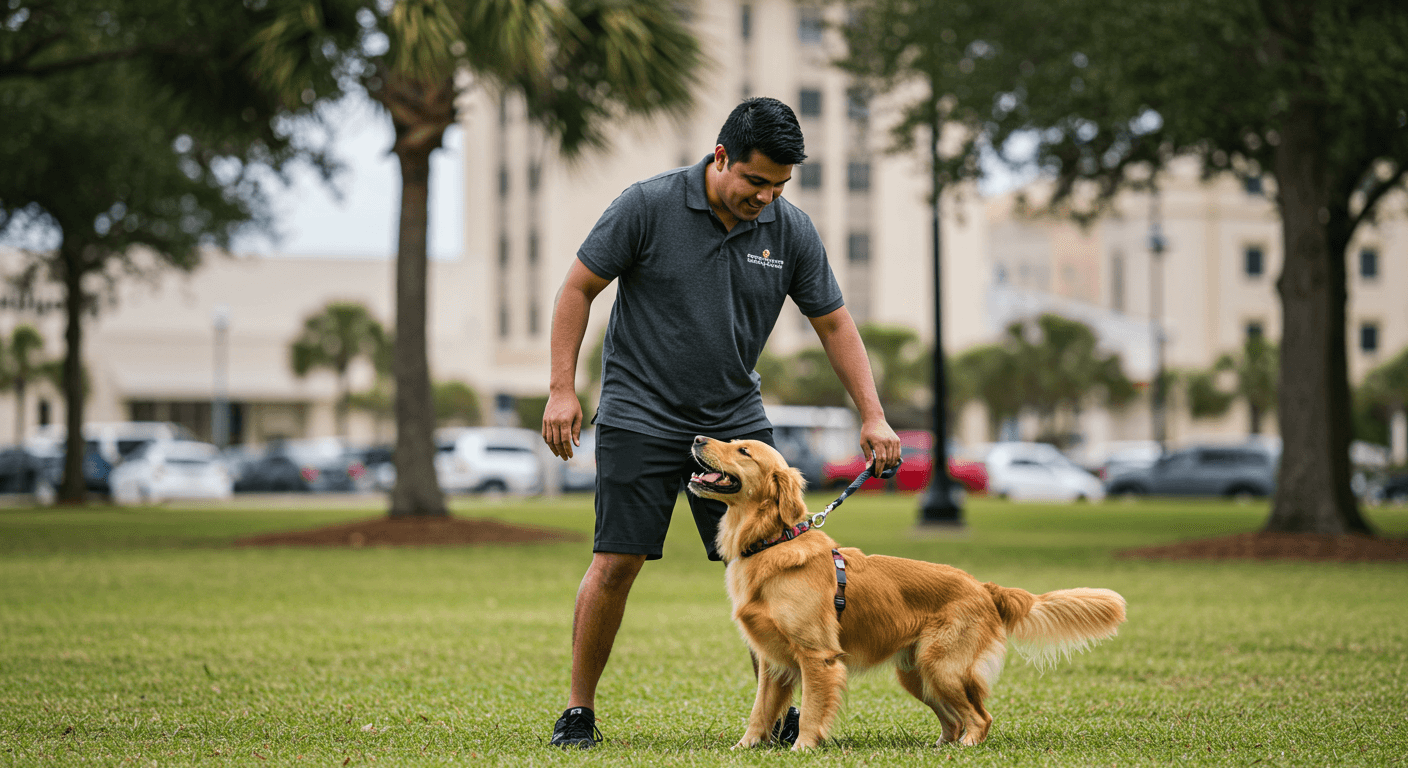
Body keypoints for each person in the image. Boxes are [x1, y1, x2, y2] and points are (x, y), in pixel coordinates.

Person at [541, 96, 901, 749]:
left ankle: (780, 718)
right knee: (616, 563)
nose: (766, 197)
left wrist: (872, 416)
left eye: (780, 185)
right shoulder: (647, 206)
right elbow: (577, 289)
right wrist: (562, 389)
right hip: (639, 412)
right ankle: (578, 711)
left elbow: (834, 322)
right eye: (755, 181)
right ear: (720, 157)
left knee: (779, 565)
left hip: (734, 423)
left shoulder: (790, 229)